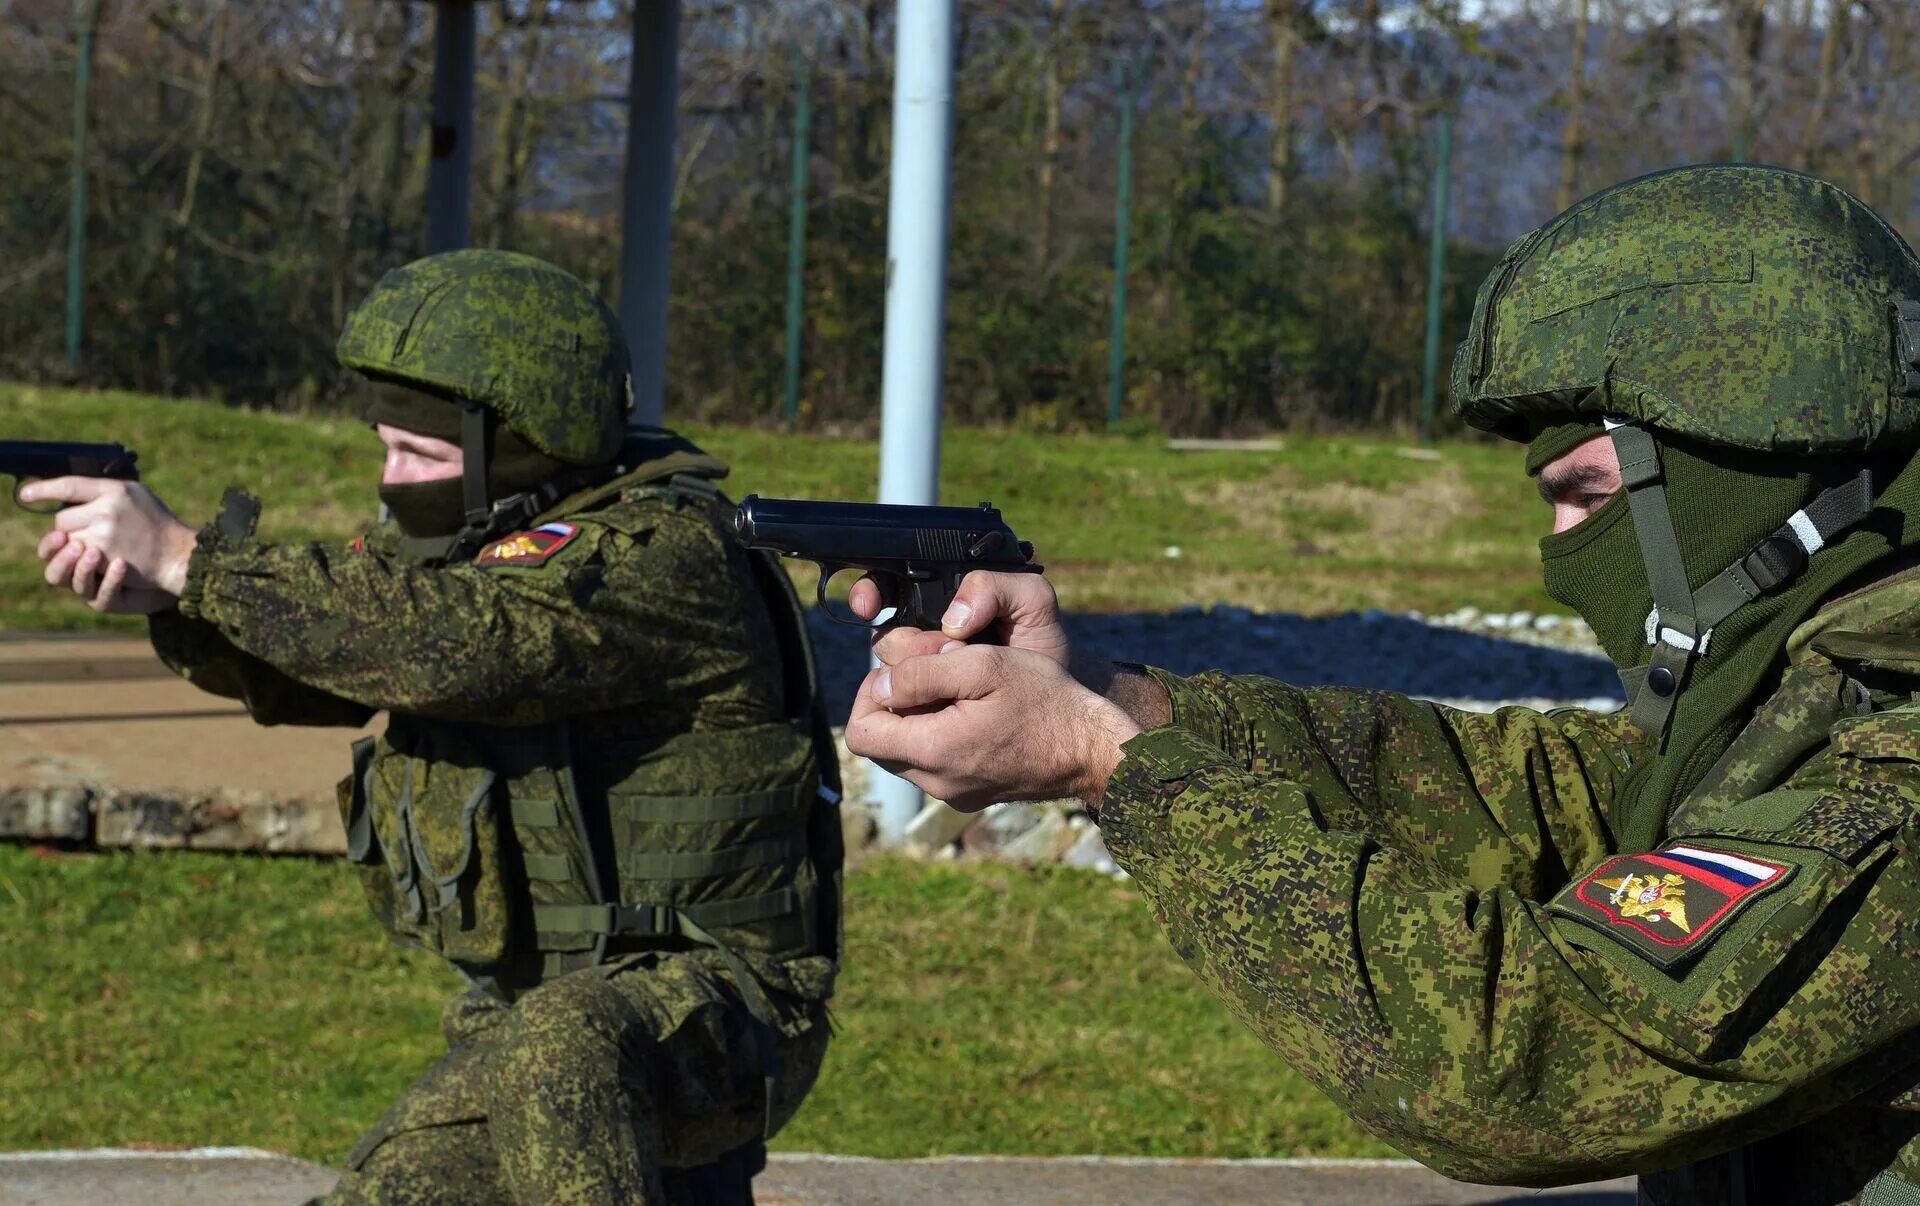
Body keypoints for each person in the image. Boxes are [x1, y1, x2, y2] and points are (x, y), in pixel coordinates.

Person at [844, 164, 1920, 1204]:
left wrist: (1109, 762)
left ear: (1746, 476)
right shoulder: (1805, 695)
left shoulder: (1898, 773)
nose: (1556, 549)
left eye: (1589, 494)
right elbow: (1544, 801)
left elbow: (1519, 1064)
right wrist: (1111, 698)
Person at [27, 249, 843, 1205]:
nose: (392, 476)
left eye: (419, 454)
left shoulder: (663, 557)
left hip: (726, 1012)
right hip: (549, 1035)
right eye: (384, 446)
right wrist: (168, 605)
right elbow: (342, 661)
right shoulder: (486, 534)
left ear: (523, 440)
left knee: (558, 1046)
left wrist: (189, 562)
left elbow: (467, 645)